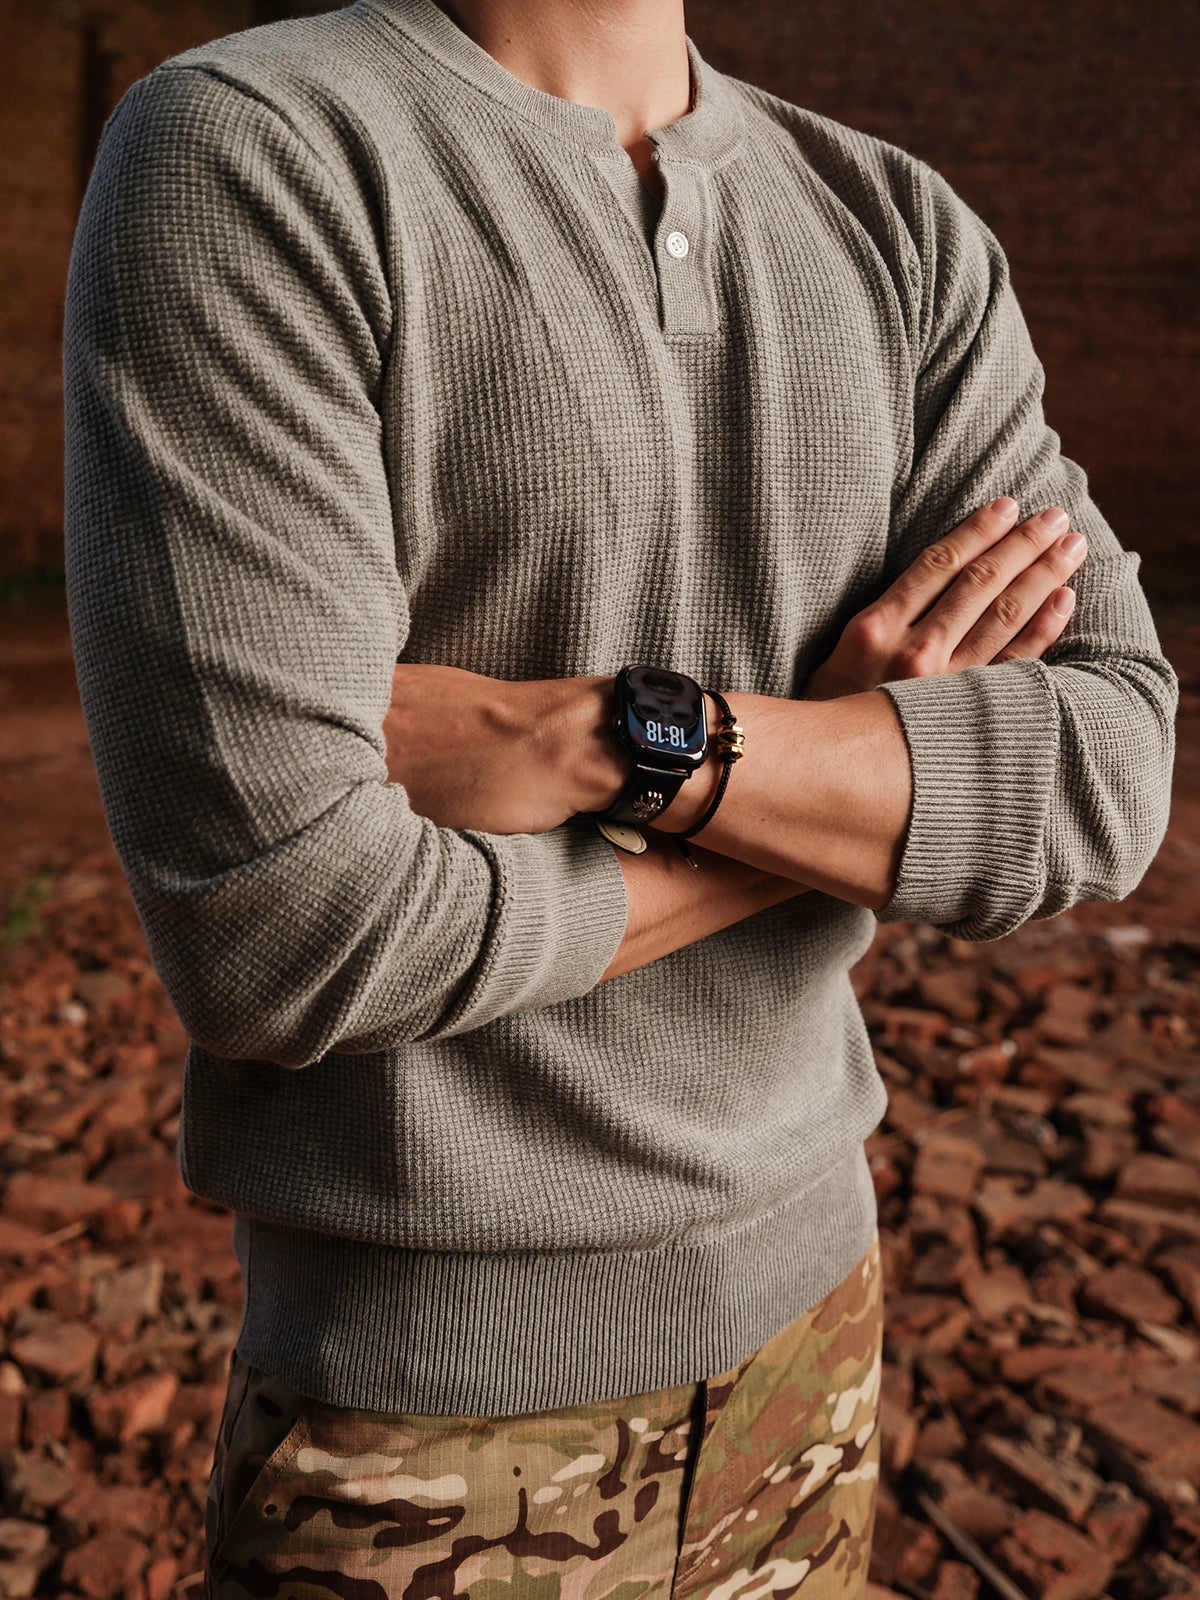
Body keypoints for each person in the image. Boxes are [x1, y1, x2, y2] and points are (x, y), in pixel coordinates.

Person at [63, 0, 1175, 1594]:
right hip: (431, 1424)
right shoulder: (255, 151)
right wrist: (846, 778)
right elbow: (284, 933)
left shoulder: (902, 229)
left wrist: (607, 738)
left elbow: (1110, 768)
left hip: (816, 1338)